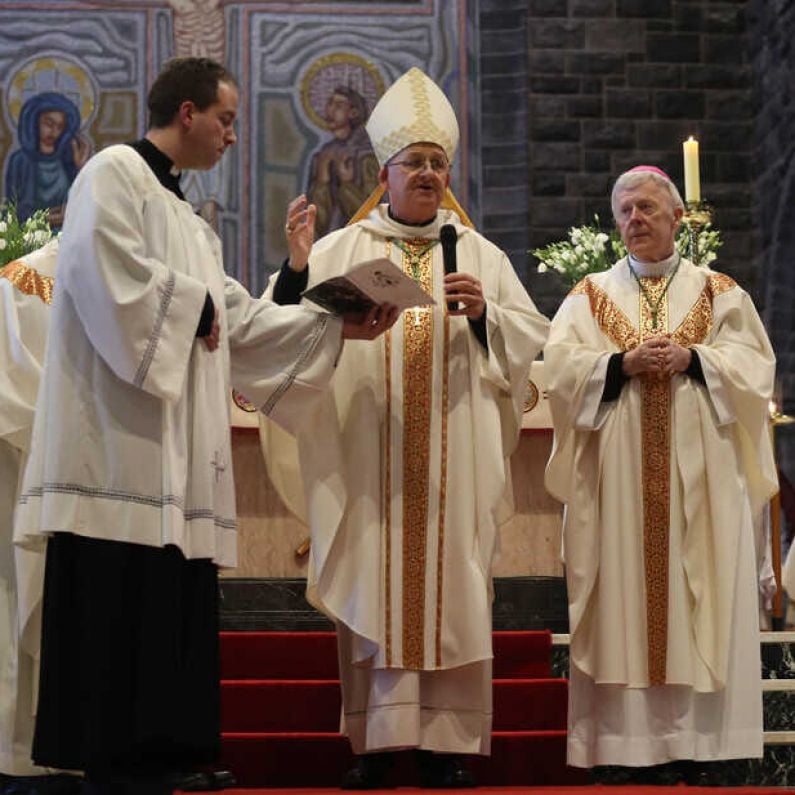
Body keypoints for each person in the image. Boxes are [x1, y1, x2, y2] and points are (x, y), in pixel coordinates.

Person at [12, 57, 396, 795]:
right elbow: (103, 270)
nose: (231, 135)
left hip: (171, 454)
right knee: (114, 598)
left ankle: (163, 752)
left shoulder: (188, 218)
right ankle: (113, 761)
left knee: (165, 599)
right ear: (185, 112)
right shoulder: (114, 173)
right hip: (114, 446)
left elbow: (237, 318)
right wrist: (203, 310)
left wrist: (335, 324)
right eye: (225, 119)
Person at [263, 67, 549, 789]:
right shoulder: (341, 250)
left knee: (452, 592)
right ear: (384, 173)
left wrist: (486, 315)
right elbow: (281, 332)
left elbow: (532, 341)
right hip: (368, 457)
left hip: (455, 460)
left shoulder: (480, 254)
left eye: (436, 163)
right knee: (370, 585)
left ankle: (448, 744)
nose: (426, 173)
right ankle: (376, 744)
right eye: (413, 162)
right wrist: (297, 270)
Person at [544, 165, 777, 779]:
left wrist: (693, 358)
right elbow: (561, 370)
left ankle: (706, 747)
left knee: (703, 595)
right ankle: (627, 749)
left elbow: (756, 368)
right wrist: (618, 364)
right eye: (624, 210)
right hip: (617, 479)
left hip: (702, 481)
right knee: (623, 597)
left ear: (677, 217)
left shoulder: (721, 292)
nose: (634, 220)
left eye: (646, 208)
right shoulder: (588, 295)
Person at [0, 240, 84, 795]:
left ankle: (85, 747)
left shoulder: (132, 275)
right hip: (38, 471)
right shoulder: (25, 279)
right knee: (28, 599)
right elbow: (13, 386)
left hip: (105, 482)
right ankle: (24, 755)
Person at [4, 92, 90, 227]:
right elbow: (13, 211)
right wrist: (49, 219)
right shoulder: (19, 161)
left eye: (60, 126)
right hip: (29, 239)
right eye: (49, 124)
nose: (54, 131)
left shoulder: (68, 160)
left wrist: (81, 167)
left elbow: (85, 205)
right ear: (34, 122)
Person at [306, 85, 380, 237]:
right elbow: (317, 224)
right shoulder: (324, 155)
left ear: (354, 113)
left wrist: (347, 184)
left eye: (338, 105)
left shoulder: (367, 156)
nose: (330, 110)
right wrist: (323, 181)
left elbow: (374, 219)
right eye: (330, 103)